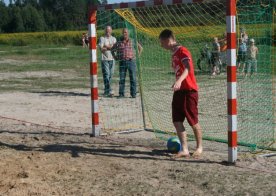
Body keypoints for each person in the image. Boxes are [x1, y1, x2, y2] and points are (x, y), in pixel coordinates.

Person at [159, 29, 203, 158]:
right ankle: (184, 149)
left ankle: (199, 147)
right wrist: (178, 83)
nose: (161, 46)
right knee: (177, 120)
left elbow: (188, 68)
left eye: (162, 43)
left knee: (193, 121)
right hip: (179, 91)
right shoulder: (174, 53)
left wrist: (179, 80)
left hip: (189, 91)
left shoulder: (183, 51)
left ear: (168, 40)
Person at [111, 28, 143, 98]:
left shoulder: (132, 41)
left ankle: (133, 94)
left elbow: (140, 48)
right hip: (122, 62)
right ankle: (121, 94)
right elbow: (112, 50)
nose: (124, 34)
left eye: (126, 32)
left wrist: (136, 57)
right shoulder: (119, 42)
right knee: (122, 79)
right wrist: (115, 57)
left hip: (131, 62)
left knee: (133, 78)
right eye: (123, 32)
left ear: (128, 33)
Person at [98, 26, 117, 97]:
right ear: (105, 31)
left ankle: (107, 90)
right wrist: (110, 47)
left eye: (109, 30)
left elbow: (115, 49)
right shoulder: (102, 38)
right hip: (104, 59)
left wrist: (106, 46)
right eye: (106, 30)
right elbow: (101, 49)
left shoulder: (114, 38)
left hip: (112, 59)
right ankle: (109, 90)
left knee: (111, 75)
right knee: (106, 75)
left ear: (111, 31)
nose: (108, 32)